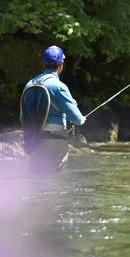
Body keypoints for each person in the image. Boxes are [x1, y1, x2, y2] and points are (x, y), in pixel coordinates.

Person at [20, 45, 86, 174]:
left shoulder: (30, 84)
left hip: (34, 140)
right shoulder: (59, 86)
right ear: (61, 64)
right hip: (54, 140)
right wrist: (81, 119)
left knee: (36, 176)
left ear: (43, 63)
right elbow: (76, 119)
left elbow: (23, 118)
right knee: (53, 179)